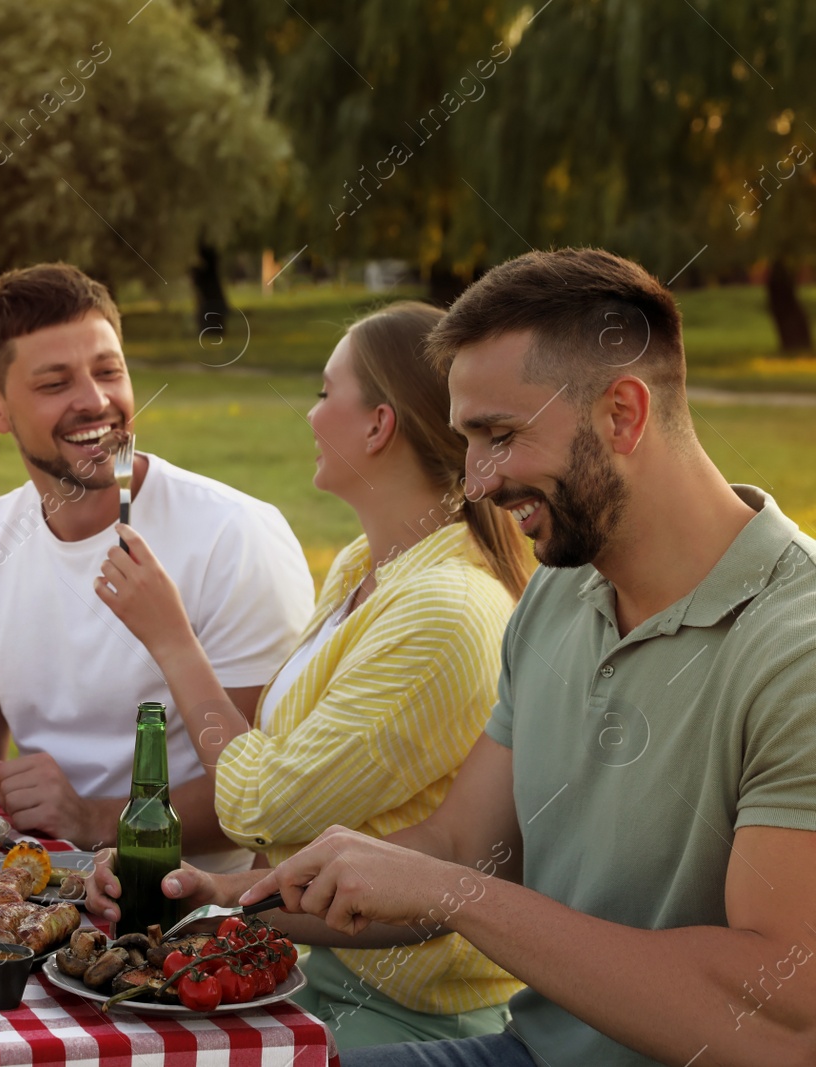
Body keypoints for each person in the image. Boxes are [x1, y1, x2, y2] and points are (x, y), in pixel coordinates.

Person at [132, 249, 816, 1066]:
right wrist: (219, 898)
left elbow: (784, 1021)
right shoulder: (560, 596)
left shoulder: (795, 646)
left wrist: (461, 897)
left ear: (623, 415)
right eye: (467, 441)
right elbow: (459, 850)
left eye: (500, 436)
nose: (479, 482)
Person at [86, 302, 530, 1047]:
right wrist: (225, 894)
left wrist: (172, 642)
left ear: (378, 426)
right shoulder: (366, 567)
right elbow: (297, 778)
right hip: (321, 965)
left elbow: (263, 802)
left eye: (326, 393)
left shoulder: (444, 611)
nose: (310, 415)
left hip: (418, 1017)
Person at [0, 262, 314, 873]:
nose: (95, 402)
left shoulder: (235, 535)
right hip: (34, 888)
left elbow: (267, 792)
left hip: (182, 917)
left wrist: (93, 820)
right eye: (54, 383)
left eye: (108, 371)